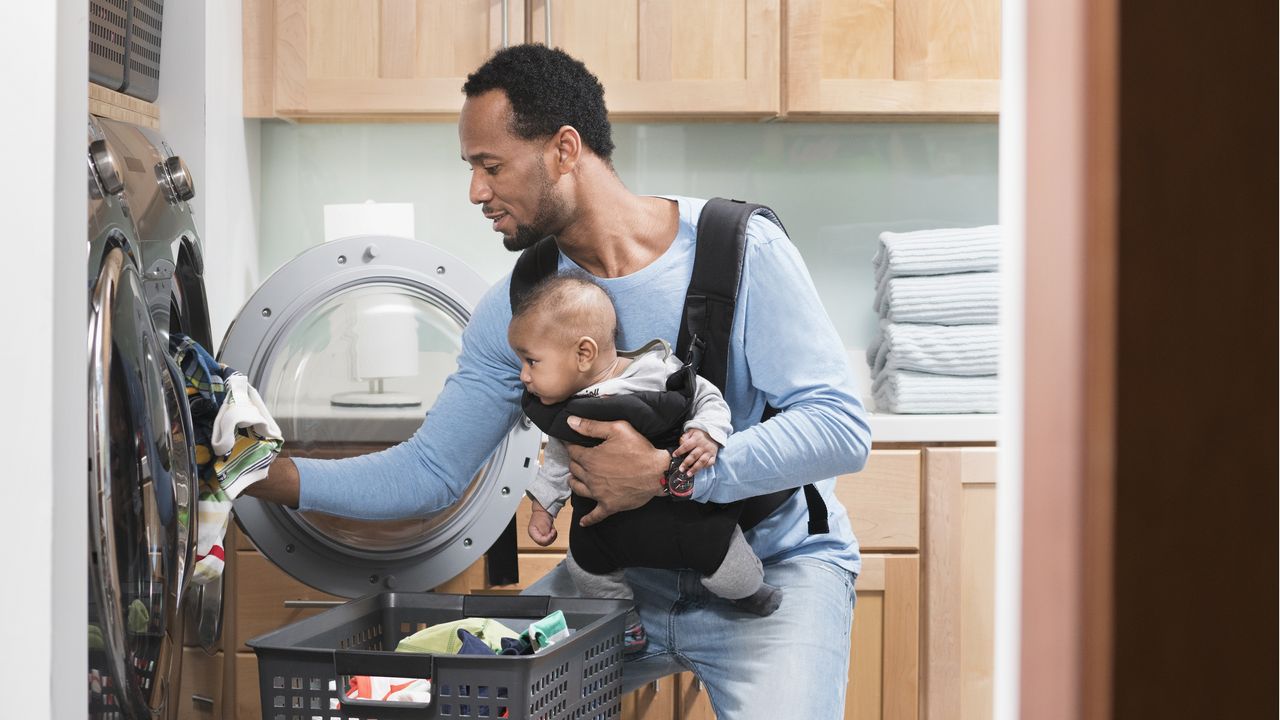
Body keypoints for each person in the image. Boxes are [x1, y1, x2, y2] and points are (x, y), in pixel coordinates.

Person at [244, 43, 871, 717]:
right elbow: (431, 471)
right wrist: (270, 477)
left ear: (564, 150)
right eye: (471, 169)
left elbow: (840, 429)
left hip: (772, 576)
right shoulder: (520, 309)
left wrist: (670, 474)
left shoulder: (739, 252)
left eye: (491, 166)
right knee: (462, 700)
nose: (476, 192)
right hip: (620, 585)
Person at [510, 273, 784, 654]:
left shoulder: (654, 371)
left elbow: (706, 396)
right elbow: (558, 459)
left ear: (583, 353)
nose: (523, 375)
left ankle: (750, 591)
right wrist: (544, 506)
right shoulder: (564, 409)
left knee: (727, 570)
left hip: (687, 518)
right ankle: (625, 622)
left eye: (531, 361)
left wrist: (706, 433)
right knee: (584, 569)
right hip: (605, 528)